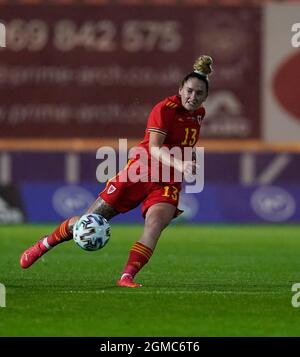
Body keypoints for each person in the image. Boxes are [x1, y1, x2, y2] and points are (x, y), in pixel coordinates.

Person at [20, 55, 213, 288]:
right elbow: (154, 148)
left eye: (199, 93)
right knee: (87, 223)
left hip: (167, 181)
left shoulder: (199, 114)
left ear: (205, 97)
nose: (193, 97)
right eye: (189, 91)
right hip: (138, 174)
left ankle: (127, 276)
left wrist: (188, 157)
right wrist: (181, 163)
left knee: (155, 225)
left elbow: (184, 144)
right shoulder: (164, 109)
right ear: (180, 89)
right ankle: (44, 245)